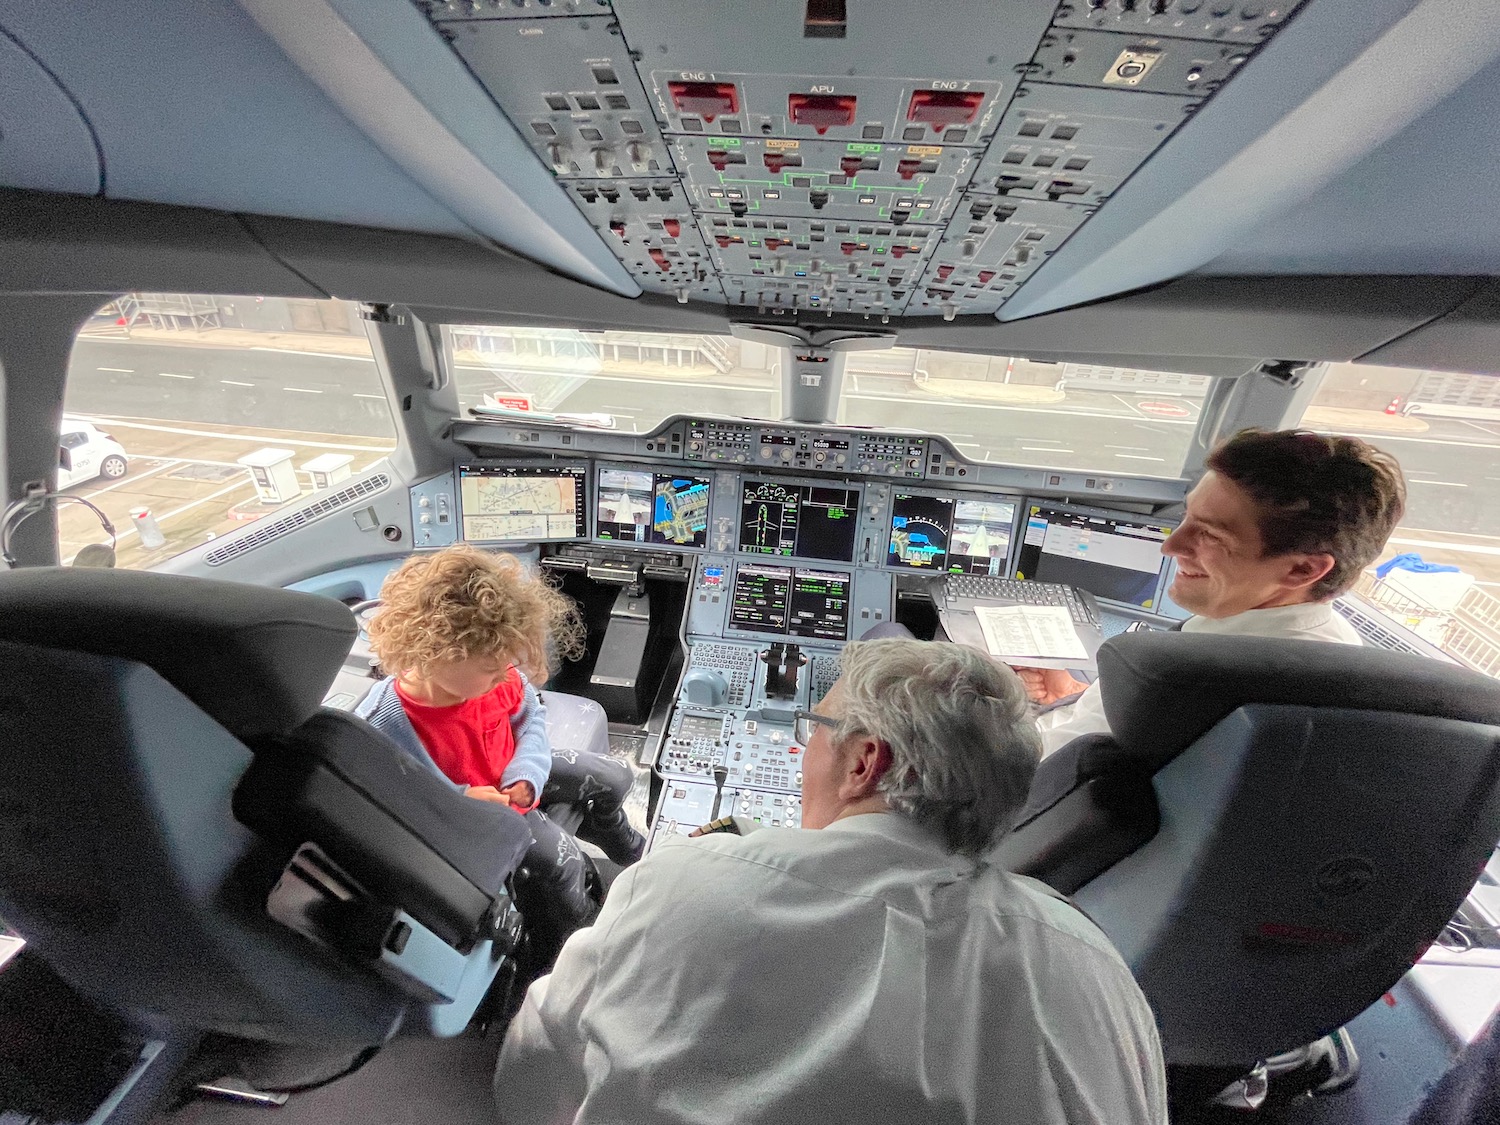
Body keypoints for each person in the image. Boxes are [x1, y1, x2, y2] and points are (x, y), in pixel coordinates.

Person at [495, 639, 1168, 1125]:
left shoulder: (676, 883)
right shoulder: (1094, 964)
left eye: (815, 730)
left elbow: (529, 1076)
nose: (801, 752)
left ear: (862, 763)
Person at [1023, 428, 1406, 755]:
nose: (1171, 546)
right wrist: (1079, 696)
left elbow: (1022, 776)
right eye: (1188, 516)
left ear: (1301, 569)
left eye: (1210, 534)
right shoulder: (1330, 643)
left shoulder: (1178, 681)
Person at [355, 545, 644, 934]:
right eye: (491, 668)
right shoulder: (384, 724)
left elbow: (530, 721)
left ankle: (611, 832)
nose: (506, 675)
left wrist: (527, 771)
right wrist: (461, 800)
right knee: (567, 864)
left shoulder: (499, 676)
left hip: (514, 772)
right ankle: (583, 927)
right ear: (435, 653)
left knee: (617, 776)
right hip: (483, 815)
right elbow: (393, 801)